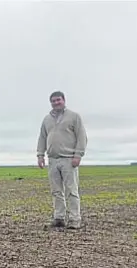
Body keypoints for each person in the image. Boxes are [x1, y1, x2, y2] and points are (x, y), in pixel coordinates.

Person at [37, 91, 87, 229]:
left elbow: (82, 136)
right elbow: (42, 137)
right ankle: (59, 217)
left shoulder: (74, 117)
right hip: (53, 160)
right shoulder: (47, 119)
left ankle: (74, 219)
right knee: (56, 191)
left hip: (69, 159)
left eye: (58, 100)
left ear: (64, 100)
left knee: (71, 190)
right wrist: (40, 155)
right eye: (53, 101)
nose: (56, 103)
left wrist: (78, 155)